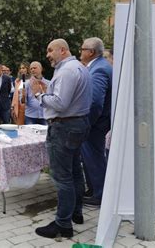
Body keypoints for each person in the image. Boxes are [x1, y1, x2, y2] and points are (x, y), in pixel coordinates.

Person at [34, 39, 92, 239]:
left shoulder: (67, 71)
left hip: (64, 127)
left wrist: (40, 97)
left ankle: (63, 224)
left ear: (63, 50)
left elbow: (60, 103)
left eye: (50, 50)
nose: (48, 54)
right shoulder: (80, 68)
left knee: (62, 177)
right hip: (76, 125)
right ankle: (76, 213)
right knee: (75, 172)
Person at [79, 37, 112, 207]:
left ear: (90, 52)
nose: (80, 52)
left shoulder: (98, 69)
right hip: (99, 123)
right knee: (91, 158)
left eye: (82, 49)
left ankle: (99, 195)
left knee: (94, 158)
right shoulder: (101, 66)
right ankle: (93, 190)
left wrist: (87, 123)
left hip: (95, 124)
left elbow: (95, 102)